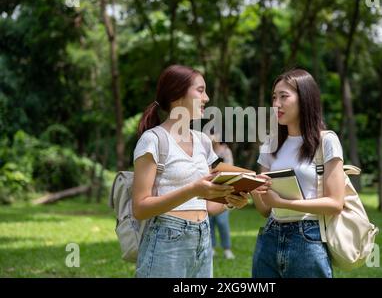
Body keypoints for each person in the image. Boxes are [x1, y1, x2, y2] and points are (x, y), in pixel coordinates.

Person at [132, 64, 249, 278]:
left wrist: (231, 200)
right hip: (167, 238)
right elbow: (140, 208)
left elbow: (208, 207)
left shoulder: (203, 141)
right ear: (177, 94)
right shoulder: (153, 140)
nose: (207, 98)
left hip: (203, 237)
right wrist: (193, 189)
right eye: (200, 90)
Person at [250, 68, 346, 278]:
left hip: (307, 239)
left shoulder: (326, 141)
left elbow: (335, 203)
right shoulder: (270, 144)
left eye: (284, 96)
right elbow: (265, 210)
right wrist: (253, 188)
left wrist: (283, 203)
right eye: (274, 97)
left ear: (305, 98)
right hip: (269, 238)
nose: (276, 104)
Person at [208, 133, 236, 260]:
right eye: (210, 133)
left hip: (224, 189)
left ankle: (227, 249)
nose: (212, 136)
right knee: (210, 221)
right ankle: (212, 248)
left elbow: (230, 169)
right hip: (209, 189)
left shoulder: (225, 151)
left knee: (222, 221)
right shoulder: (205, 149)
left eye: (214, 133)